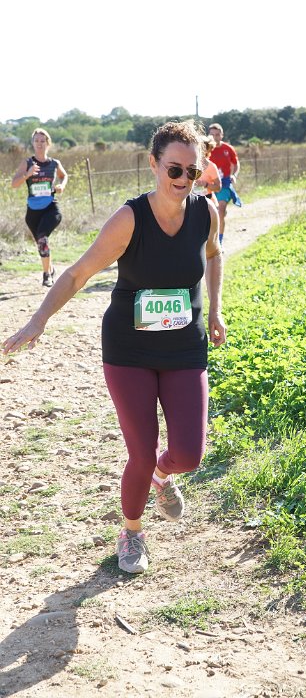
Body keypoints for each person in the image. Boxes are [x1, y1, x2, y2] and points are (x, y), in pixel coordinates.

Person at [3, 120, 226, 575]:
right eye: (174, 169)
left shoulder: (206, 212)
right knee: (140, 452)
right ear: (154, 165)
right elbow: (78, 273)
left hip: (185, 346)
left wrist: (216, 311)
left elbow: (213, 254)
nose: (183, 179)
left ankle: (162, 476)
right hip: (130, 350)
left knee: (189, 455)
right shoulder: (130, 219)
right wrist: (38, 319)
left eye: (191, 171)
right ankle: (132, 532)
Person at [11, 128, 68, 288]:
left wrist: (62, 185)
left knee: (42, 238)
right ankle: (50, 269)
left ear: (48, 143)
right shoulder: (27, 163)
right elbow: (14, 184)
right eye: (36, 140)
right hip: (32, 212)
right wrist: (28, 174)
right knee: (42, 244)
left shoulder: (55, 163)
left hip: (51, 208)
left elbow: (64, 176)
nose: (39, 143)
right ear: (33, 143)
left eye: (42, 141)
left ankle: (46, 275)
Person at [208, 123, 241, 246]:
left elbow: (236, 163)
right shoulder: (205, 149)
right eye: (212, 135)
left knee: (220, 211)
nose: (214, 137)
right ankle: (208, 239)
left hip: (224, 183)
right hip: (209, 185)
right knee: (211, 213)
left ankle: (219, 242)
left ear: (222, 135)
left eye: (217, 134)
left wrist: (234, 175)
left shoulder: (228, 148)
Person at [192, 135, 221, 206]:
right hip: (192, 203)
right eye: (197, 147)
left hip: (209, 203)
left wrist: (205, 184)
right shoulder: (188, 164)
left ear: (207, 149)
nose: (200, 150)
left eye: (203, 148)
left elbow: (218, 187)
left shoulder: (211, 166)